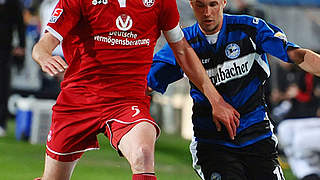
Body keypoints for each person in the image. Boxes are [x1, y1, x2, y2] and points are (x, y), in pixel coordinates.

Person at [31, 0, 239, 179]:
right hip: (78, 101)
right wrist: (44, 57)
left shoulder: (160, 2)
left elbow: (182, 50)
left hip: (128, 101)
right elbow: (43, 45)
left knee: (143, 154)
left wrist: (216, 100)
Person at [147, 0, 320, 179]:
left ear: (223, 2)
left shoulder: (249, 29)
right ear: (191, 4)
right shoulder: (182, 44)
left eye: (213, 4)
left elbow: (297, 55)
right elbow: (148, 83)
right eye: (200, 5)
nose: (207, 12)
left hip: (257, 135)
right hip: (213, 142)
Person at [0, 0, 25, 137]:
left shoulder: (13, 3)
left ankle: (1, 122)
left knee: (2, 87)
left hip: (4, 50)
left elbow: (20, 24)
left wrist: (22, 45)